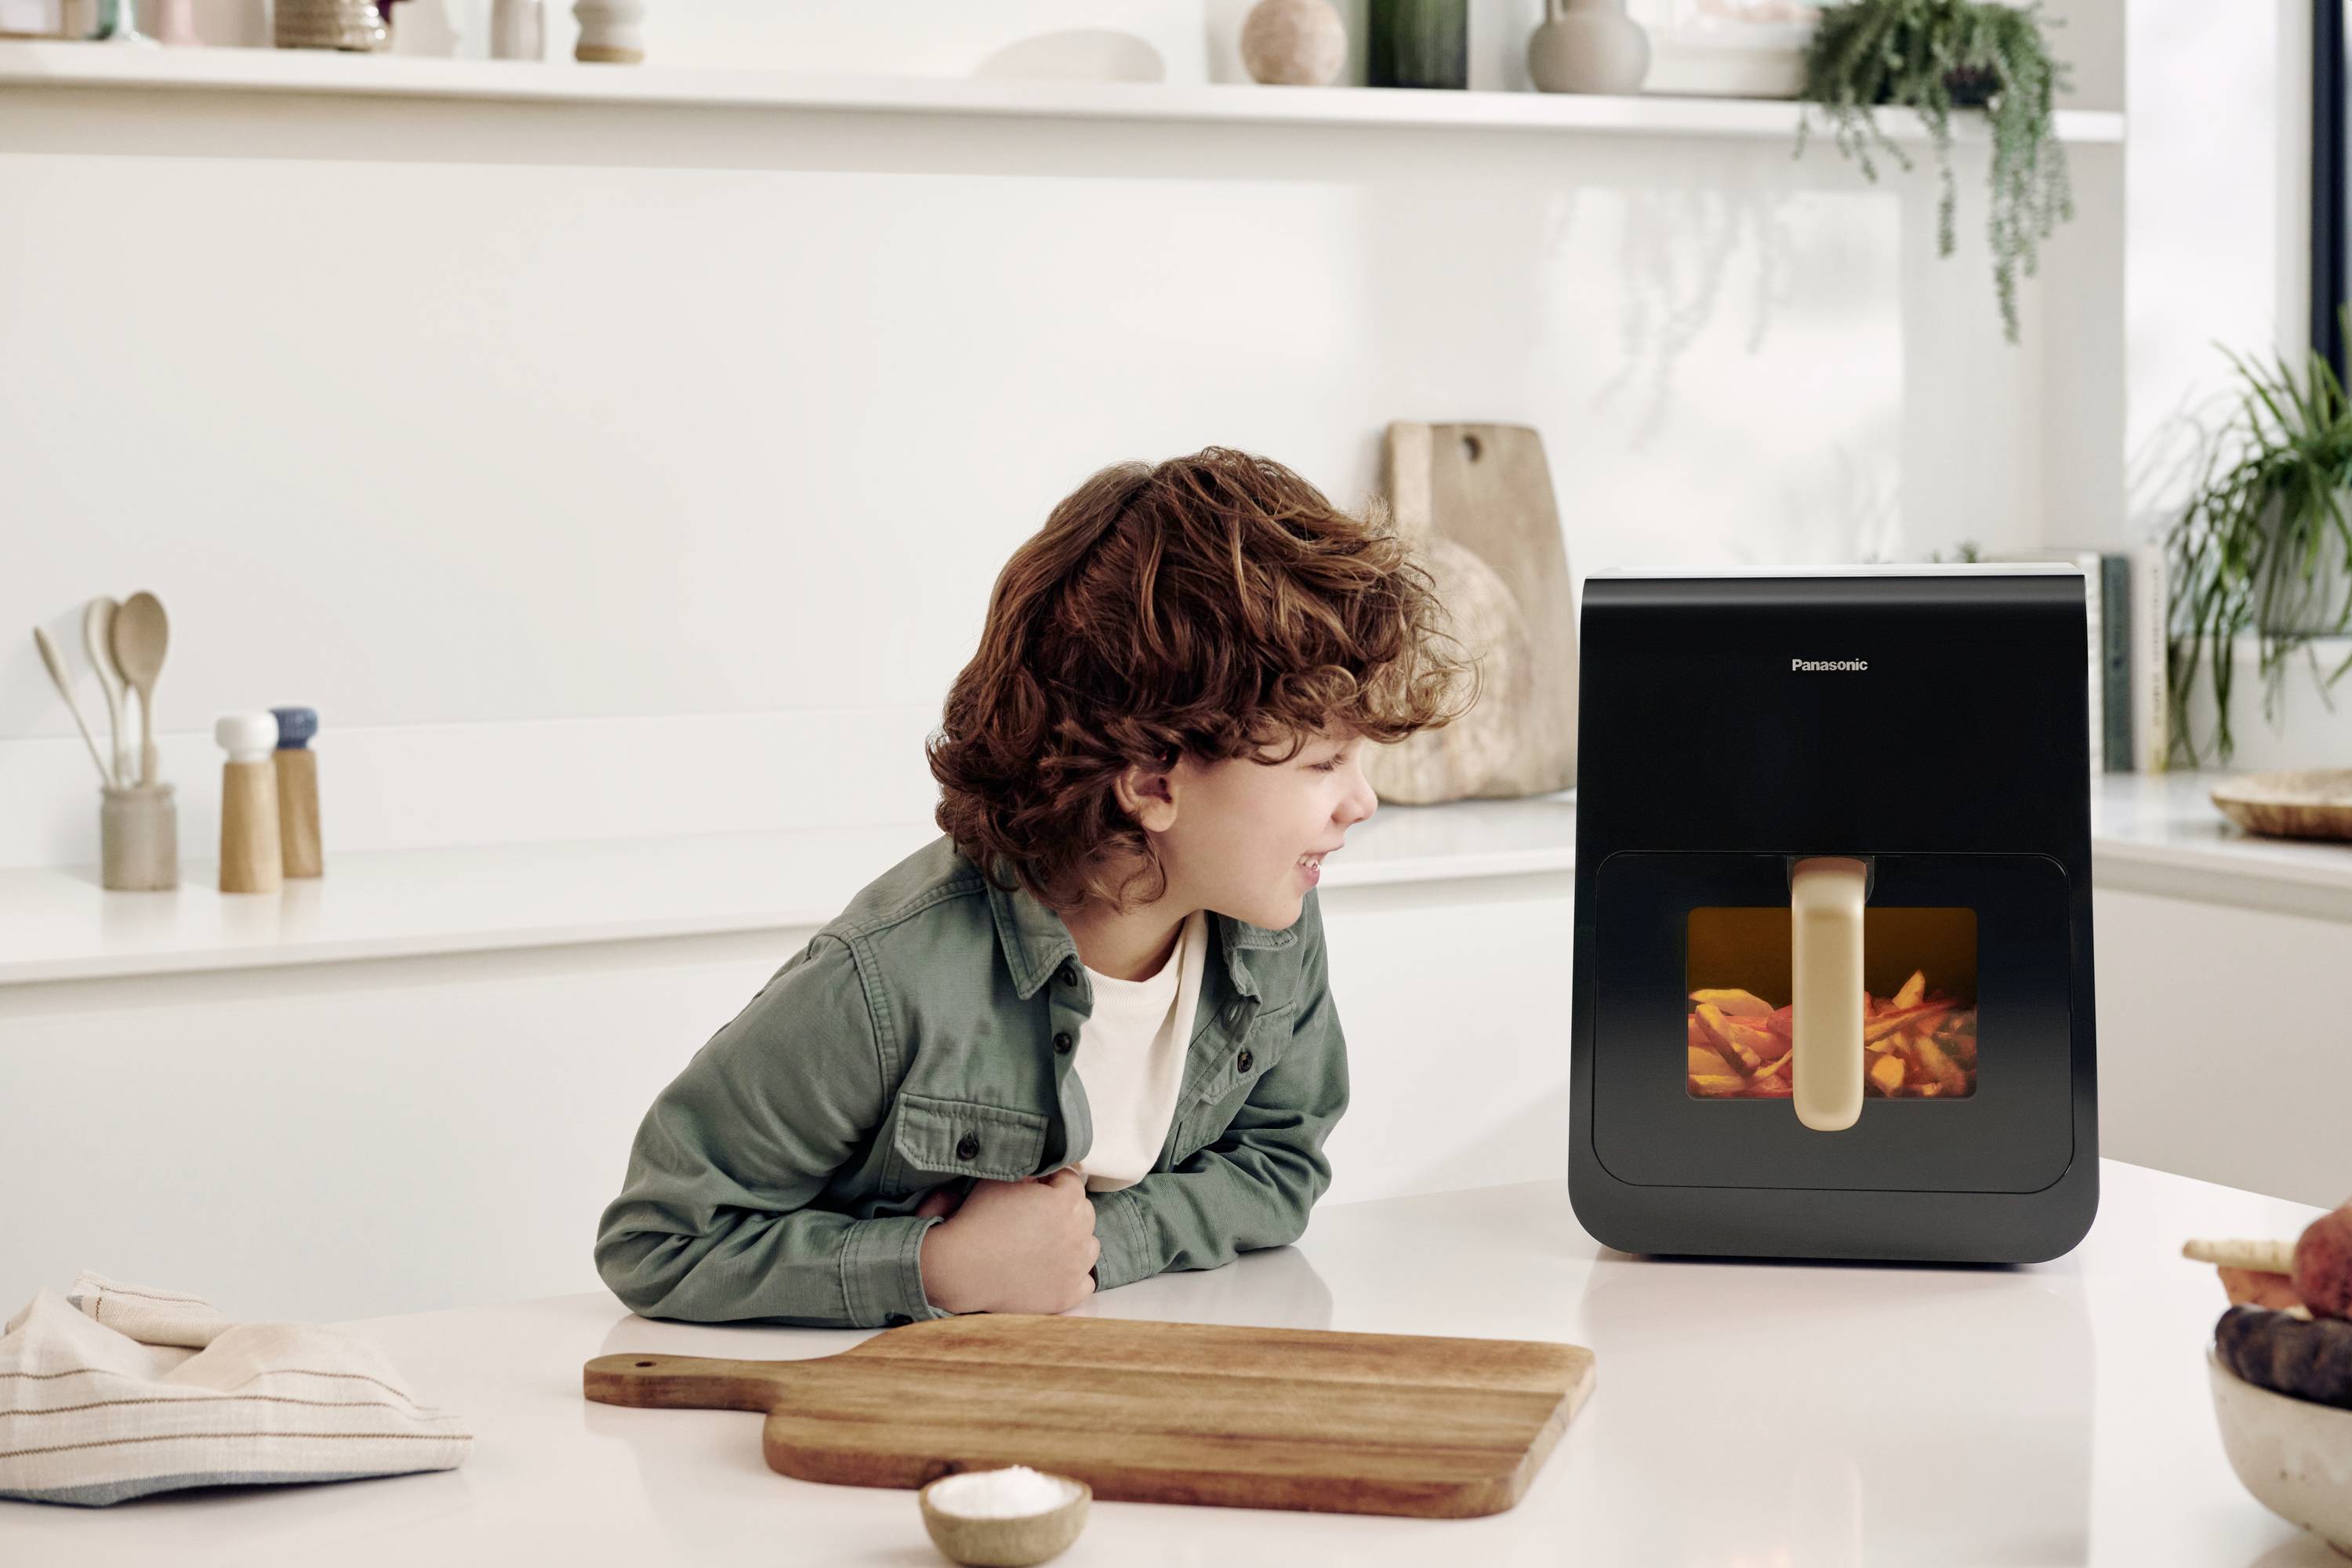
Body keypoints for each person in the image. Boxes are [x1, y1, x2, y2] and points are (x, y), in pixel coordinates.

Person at [593, 447, 1469, 1327]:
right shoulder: (883, 984)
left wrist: (1090, 1245)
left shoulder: (1271, 919)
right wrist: (938, 1267)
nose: (1362, 800)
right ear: (1152, 781)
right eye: (1324, 761)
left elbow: (1281, 1163)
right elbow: (657, 1240)